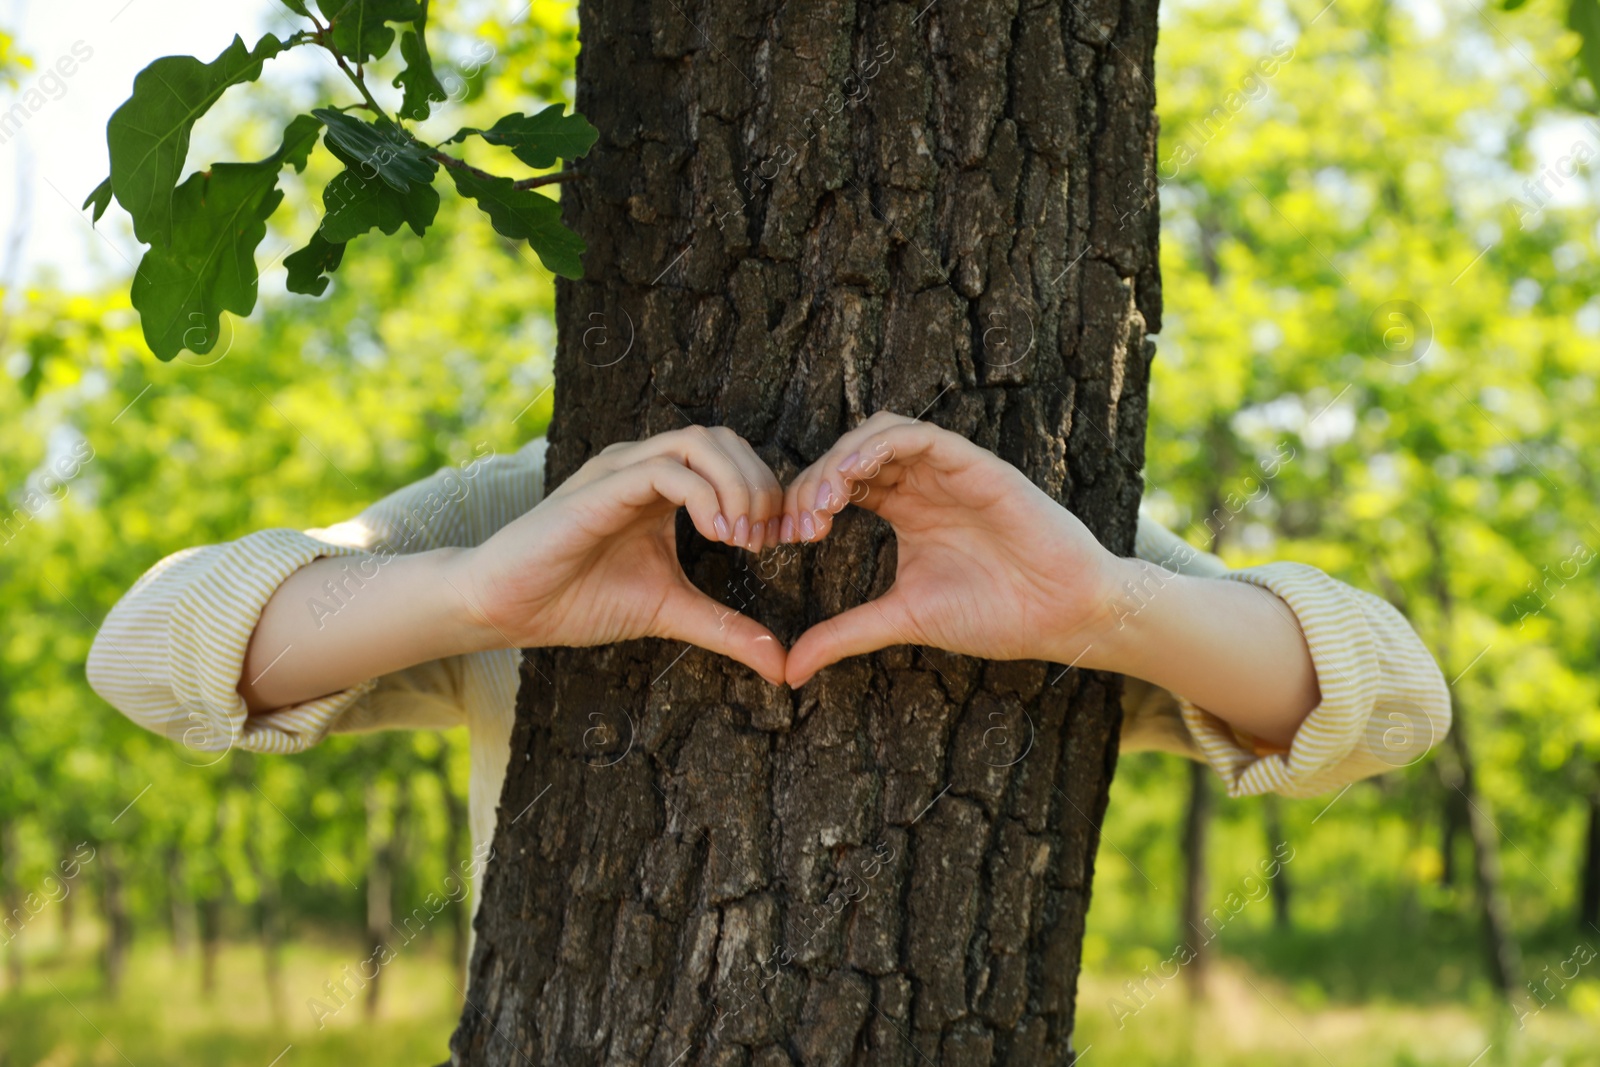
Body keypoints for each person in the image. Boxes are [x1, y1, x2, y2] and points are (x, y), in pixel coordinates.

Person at [86, 411, 1450, 921]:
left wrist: (1102, 606)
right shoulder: (535, 506)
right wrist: (472, 590)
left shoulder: (1039, 527)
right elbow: (146, 655)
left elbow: (1389, 704)